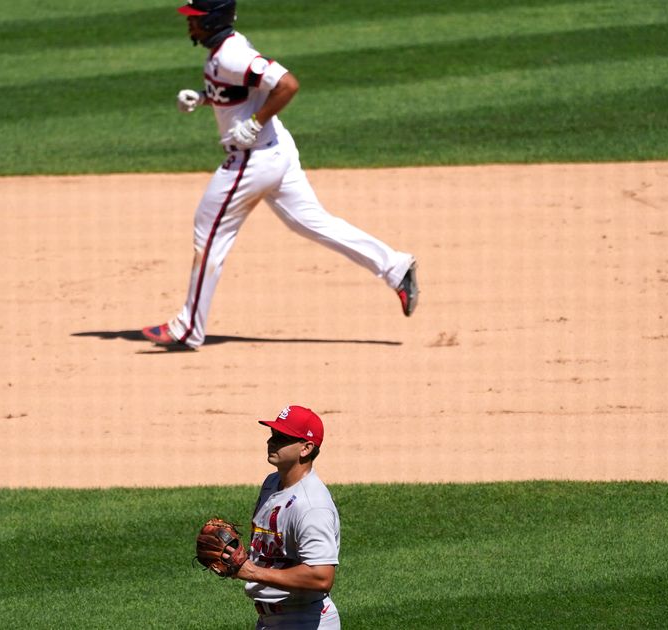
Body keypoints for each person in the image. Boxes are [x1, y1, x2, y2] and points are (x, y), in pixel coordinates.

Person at [142, 0, 419, 350]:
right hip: (276, 152)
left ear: (212, 21)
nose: (190, 25)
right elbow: (242, 92)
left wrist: (254, 124)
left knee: (208, 230)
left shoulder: (232, 56)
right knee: (310, 222)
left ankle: (187, 328)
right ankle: (396, 267)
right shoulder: (226, 51)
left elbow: (288, 84)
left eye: (196, 19)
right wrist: (203, 98)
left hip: (253, 159)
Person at [237, 405, 342, 629]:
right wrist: (236, 558)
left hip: (304, 620)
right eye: (273, 435)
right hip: (269, 620)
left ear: (306, 448)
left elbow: (321, 576)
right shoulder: (271, 483)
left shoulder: (312, 506)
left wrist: (251, 571)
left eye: (282, 438)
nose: (271, 442)